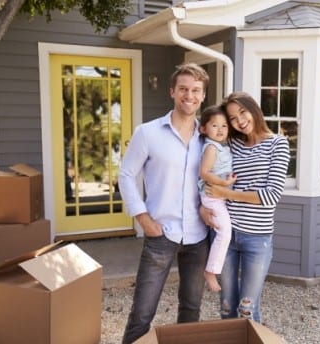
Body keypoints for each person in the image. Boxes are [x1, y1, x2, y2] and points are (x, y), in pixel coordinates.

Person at [118, 63, 210, 344]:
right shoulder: (148, 132)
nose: (189, 95)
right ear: (172, 91)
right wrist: (142, 217)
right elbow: (126, 174)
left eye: (196, 90)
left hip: (198, 235)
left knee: (191, 309)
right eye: (183, 89)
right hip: (161, 234)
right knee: (142, 313)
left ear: (203, 96)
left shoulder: (208, 138)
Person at [202, 91, 290, 323]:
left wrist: (226, 193)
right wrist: (203, 207)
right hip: (225, 234)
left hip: (257, 239)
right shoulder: (232, 143)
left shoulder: (278, 144)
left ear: (254, 109)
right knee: (226, 306)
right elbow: (204, 169)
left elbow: (271, 195)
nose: (239, 121)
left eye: (242, 112)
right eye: (232, 118)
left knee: (247, 309)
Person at [197, 105, 237, 292]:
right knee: (224, 232)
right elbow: (204, 173)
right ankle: (210, 272)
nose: (220, 130)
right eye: (215, 126)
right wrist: (224, 184)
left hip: (218, 195)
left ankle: (212, 270)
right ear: (203, 129)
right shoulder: (211, 148)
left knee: (222, 231)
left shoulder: (222, 147)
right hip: (213, 196)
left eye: (224, 126)